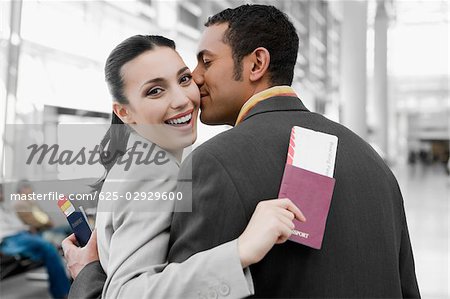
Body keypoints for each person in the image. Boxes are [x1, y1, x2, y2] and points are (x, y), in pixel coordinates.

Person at [67, 4, 421, 298]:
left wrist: (88, 276)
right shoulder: (374, 164)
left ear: (256, 64)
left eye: (205, 61)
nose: (196, 76)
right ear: (123, 111)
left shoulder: (214, 162)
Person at [62, 35, 306, 298]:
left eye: (183, 79)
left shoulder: (137, 159)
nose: (181, 100)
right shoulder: (153, 170)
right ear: (124, 113)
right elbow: (126, 292)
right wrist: (241, 251)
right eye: (155, 91)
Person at [0, 183, 71, 299]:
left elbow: (18, 225)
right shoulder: (18, 204)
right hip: (9, 239)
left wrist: (26, 228)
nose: (2, 194)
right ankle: (61, 293)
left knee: (50, 248)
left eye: (1, 191)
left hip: (21, 234)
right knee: (47, 247)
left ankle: (62, 289)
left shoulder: (5, 208)